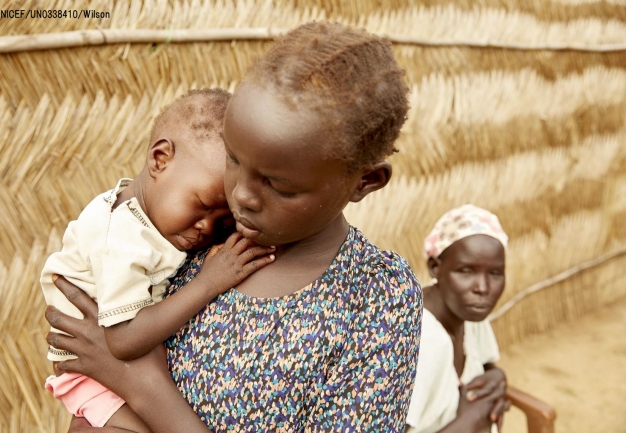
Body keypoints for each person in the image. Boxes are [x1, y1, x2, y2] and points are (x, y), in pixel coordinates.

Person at [45, 21, 423, 432]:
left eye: (278, 185)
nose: (240, 194)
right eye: (233, 159)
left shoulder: (375, 300)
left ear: (365, 181)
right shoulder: (195, 228)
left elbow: (123, 363)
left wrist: (142, 384)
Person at [40, 89, 276, 432]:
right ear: (160, 159)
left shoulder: (148, 219)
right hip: (98, 379)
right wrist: (210, 281)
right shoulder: (122, 237)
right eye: (204, 206)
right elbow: (123, 340)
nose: (207, 227)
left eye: (223, 220)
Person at [406, 204, 512, 433]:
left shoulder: (470, 316)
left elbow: (485, 366)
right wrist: (471, 420)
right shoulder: (421, 340)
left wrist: (496, 377)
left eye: (495, 273)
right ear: (435, 267)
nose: (482, 288)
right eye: (466, 271)